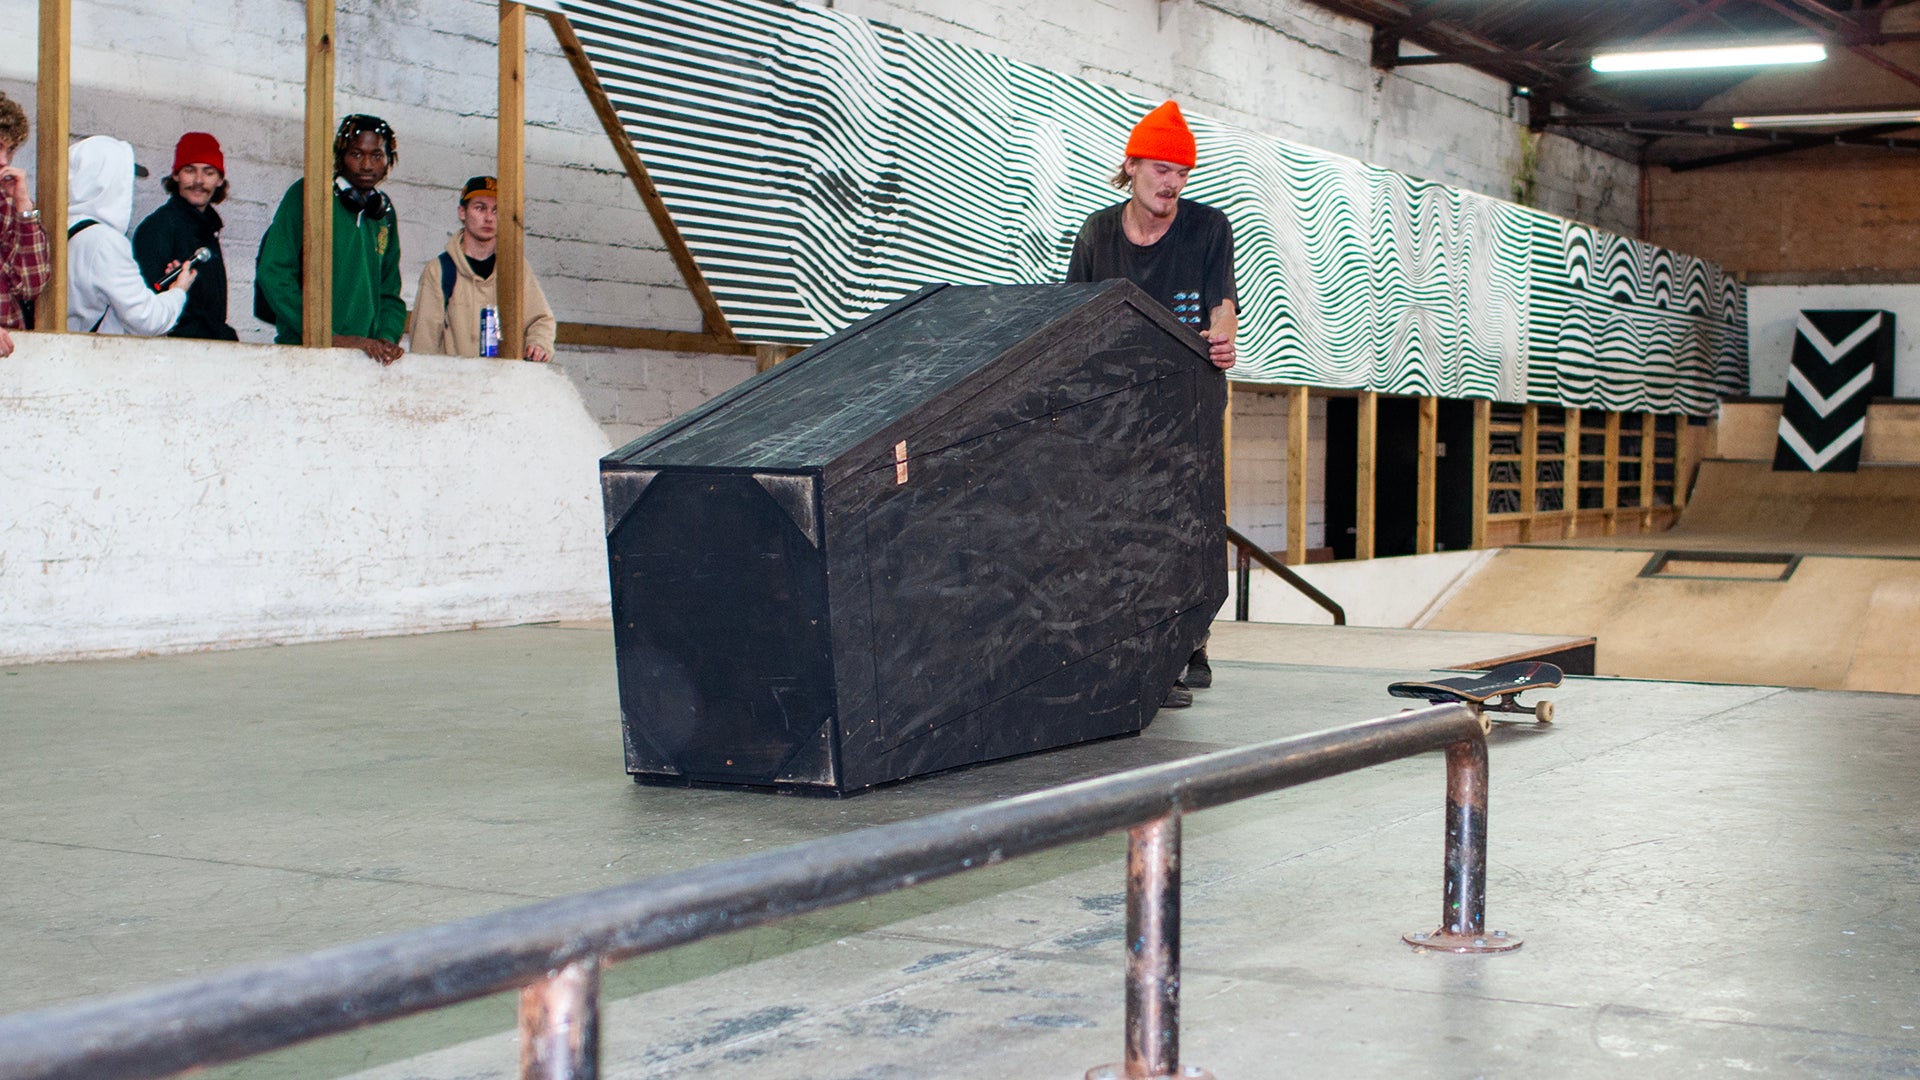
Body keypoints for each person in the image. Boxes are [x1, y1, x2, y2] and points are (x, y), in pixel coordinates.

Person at [1065, 99, 1238, 709]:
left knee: (1184, 519)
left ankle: (1188, 640)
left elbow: (1222, 305)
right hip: (1118, 403)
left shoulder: (1208, 228)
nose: (1172, 183)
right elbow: (1074, 318)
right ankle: (1142, 647)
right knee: (1122, 521)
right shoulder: (1098, 234)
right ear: (1133, 166)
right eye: (1162, 169)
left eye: (1182, 173)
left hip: (1186, 397)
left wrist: (1223, 338)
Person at [255, 114, 406, 364]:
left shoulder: (384, 214)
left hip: (365, 360)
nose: (367, 164)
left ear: (388, 160)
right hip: (305, 355)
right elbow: (274, 273)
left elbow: (389, 292)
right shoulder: (308, 194)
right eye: (357, 154)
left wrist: (386, 338)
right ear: (341, 156)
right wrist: (326, 336)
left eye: (377, 155)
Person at [408, 175, 556, 362]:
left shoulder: (515, 268)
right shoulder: (439, 270)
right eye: (480, 208)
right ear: (462, 212)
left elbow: (541, 319)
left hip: (504, 384)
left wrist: (538, 344)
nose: (488, 217)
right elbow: (424, 343)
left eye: (496, 210)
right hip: (456, 385)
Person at [66, 136, 194, 336]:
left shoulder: (61, 229)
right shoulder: (105, 242)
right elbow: (146, 319)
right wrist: (178, 291)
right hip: (96, 359)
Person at [133, 132, 238, 341]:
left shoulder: (209, 229)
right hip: (177, 355)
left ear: (219, 180)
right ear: (176, 175)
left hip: (208, 351)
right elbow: (149, 306)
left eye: (208, 172)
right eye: (190, 170)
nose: (198, 181)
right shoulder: (158, 227)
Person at [0, 91, 51, 358]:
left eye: (9, 150)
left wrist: (23, 206)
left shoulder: (6, 200)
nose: (4, 161)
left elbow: (31, 285)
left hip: (10, 353)